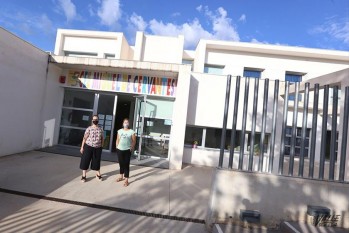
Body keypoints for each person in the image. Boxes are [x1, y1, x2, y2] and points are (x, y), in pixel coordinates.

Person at [80, 115, 104, 183]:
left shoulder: (100, 129)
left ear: (98, 120)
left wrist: (101, 146)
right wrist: (82, 147)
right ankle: (84, 176)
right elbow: (84, 138)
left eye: (96, 119)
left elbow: (102, 138)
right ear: (92, 121)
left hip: (97, 148)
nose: (95, 121)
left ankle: (98, 174)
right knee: (85, 160)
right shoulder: (89, 128)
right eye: (94, 119)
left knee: (97, 161)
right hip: (88, 147)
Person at [115, 118, 136, 187]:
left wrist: (131, 148)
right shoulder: (119, 131)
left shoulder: (132, 132)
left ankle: (126, 180)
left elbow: (134, 141)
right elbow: (117, 139)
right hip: (119, 149)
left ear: (129, 124)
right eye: (125, 122)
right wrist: (117, 147)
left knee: (126, 164)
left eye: (127, 122)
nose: (126, 124)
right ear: (123, 124)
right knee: (121, 163)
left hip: (127, 150)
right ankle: (121, 176)